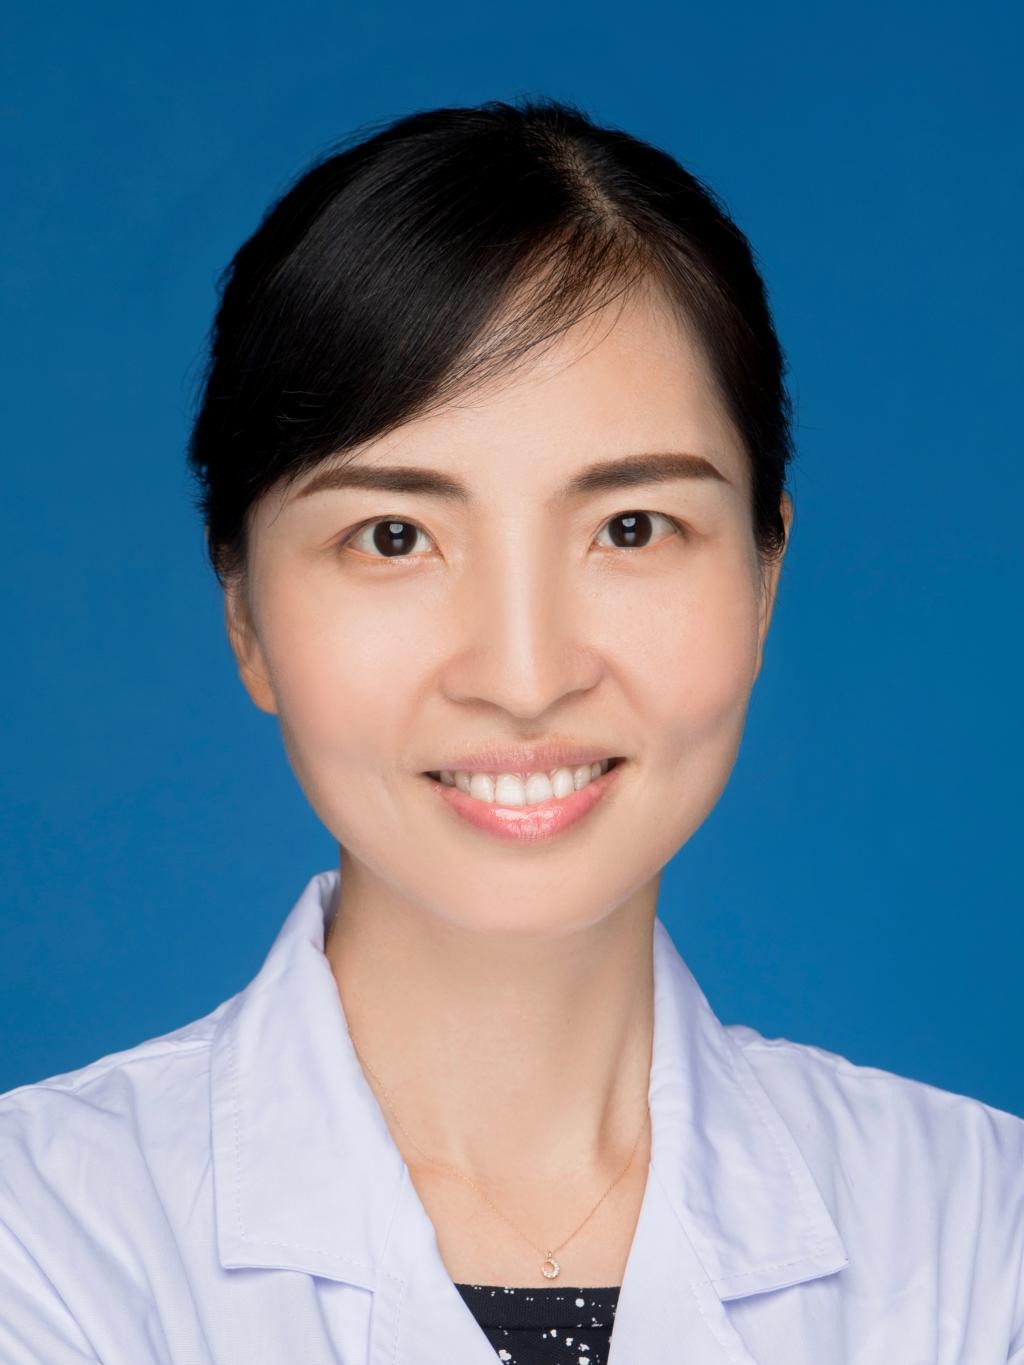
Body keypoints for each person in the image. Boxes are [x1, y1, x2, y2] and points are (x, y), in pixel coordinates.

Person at [0, 95, 1021, 1365]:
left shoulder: (982, 1234)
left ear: (764, 580)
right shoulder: (39, 1240)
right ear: (243, 610)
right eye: (393, 537)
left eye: (630, 529)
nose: (526, 678)